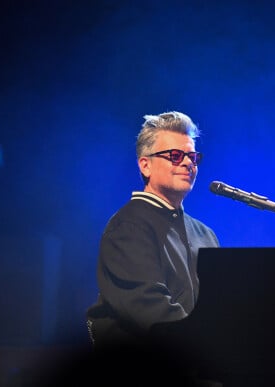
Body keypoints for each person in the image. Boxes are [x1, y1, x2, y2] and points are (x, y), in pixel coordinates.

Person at [85, 111, 220, 350]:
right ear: (145, 165)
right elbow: (150, 310)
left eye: (192, 156)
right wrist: (209, 346)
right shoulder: (128, 227)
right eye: (176, 156)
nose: (188, 163)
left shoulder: (205, 234)